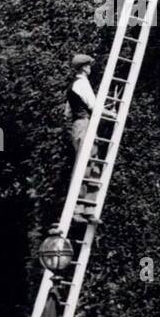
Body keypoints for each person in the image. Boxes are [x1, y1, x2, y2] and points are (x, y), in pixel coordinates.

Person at [65, 53, 99, 221]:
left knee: (92, 166)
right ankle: (78, 209)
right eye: (89, 66)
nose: (90, 68)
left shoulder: (73, 85)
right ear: (84, 68)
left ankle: (88, 209)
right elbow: (94, 106)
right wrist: (110, 112)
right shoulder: (82, 84)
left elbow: (67, 113)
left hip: (79, 125)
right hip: (84, 124)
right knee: (85, 165)